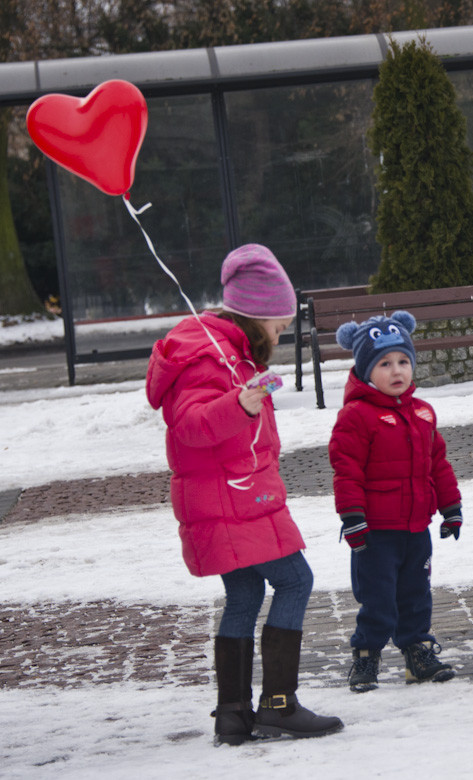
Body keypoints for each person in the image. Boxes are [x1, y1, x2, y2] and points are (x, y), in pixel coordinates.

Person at [146, 244, 343, 744]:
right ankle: (278, 704)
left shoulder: (224, 351)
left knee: (246, 592)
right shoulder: (207, 356)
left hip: (231, 498)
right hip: (232, 501)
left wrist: (245, 398)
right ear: (255, 318)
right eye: (277, 328)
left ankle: (233, 713)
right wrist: (240, 404)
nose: (279, 337)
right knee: (296, 580)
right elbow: (189, 425)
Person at [328, 310, 462, 693]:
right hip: (375, 531)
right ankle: (366, 658)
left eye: (403, 361)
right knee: (378, 599)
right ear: (366, 370)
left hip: (416, 527)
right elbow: (346, 469)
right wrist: (352, 517)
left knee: (416, 595)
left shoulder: (422, 413)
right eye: (385, 364)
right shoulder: (356, 416)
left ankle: (417, 655)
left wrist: (451, 508)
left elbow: (438, 463)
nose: (396, 370)